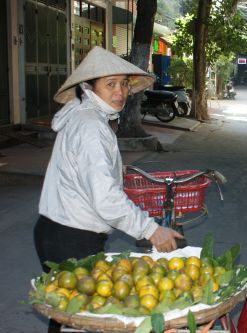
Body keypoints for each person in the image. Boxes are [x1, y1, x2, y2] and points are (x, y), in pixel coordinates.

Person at [33, 46, 183, 333]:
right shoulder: (90, 125)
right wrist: (151, 230)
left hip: (58, 230)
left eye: (124, 83)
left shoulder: (83, 116)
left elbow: (89, 177)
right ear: (89, 87)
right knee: (79, 319)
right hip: (71, 238)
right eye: (110, 84)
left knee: (68, 316)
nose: (121, 92)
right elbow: (104, 197)